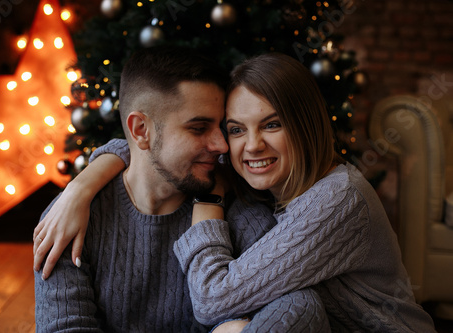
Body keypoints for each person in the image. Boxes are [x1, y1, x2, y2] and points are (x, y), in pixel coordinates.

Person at [35, 51, 436, 331]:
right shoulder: (70, 220)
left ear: (305, 124)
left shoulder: (332, 200)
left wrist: (209, 204)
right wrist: (82, 185)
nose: (232, 147)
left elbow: (218, 300)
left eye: (273, 124)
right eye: (234, 128)